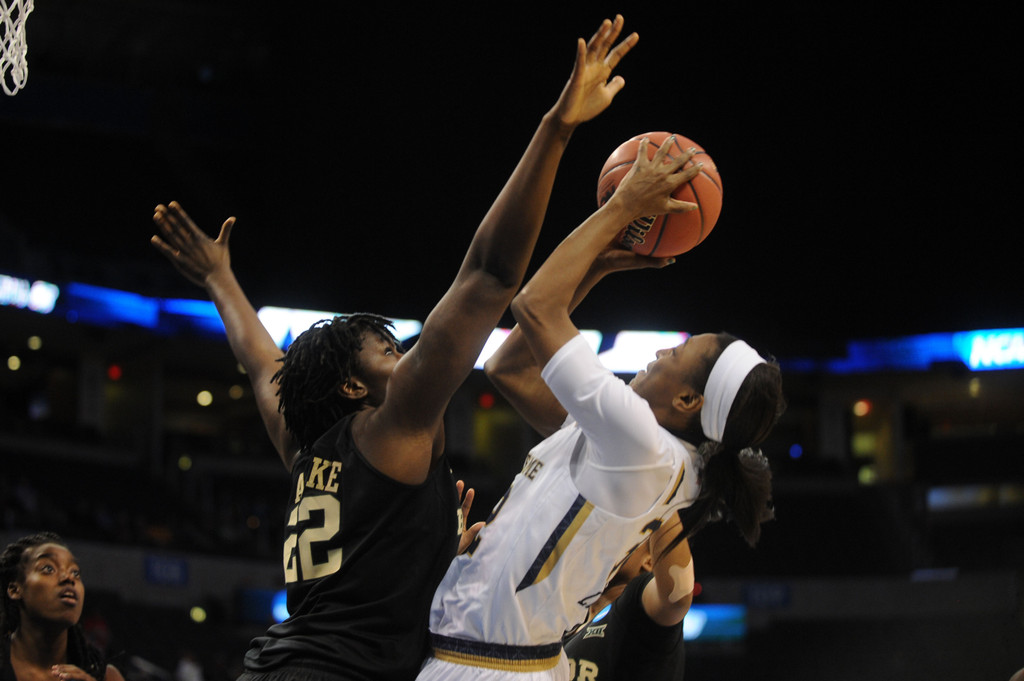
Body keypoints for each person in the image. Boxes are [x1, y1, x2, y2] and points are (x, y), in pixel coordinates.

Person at [150, 15, 639, 681]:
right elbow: (489, 275)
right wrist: (557, 127)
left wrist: (220, 279)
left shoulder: (305, 448)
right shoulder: (392, 425)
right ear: (354, 387)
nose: (407, 352)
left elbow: (263, 363)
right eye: (385, 346)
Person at [419, 135, 785, 680]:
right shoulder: (641, 452)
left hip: (491, 668)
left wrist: (623, 207)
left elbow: (534, 305)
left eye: (677, 351)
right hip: (502, 663)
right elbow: (509, 367)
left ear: (688, 400)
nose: (662, 351)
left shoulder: (638, 443)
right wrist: (599, 267)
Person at [563, 512, 694, 681]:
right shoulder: (565, 623)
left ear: (649, 562)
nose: (604, 539)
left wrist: (666, 495)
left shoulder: (635, 603)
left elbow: (678, 596)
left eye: (624, 533)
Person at [1, 532, 125, 681]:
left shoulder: (107, 677)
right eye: (48, 569)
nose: (69, 578)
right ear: (15, 589)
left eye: (75, 572)